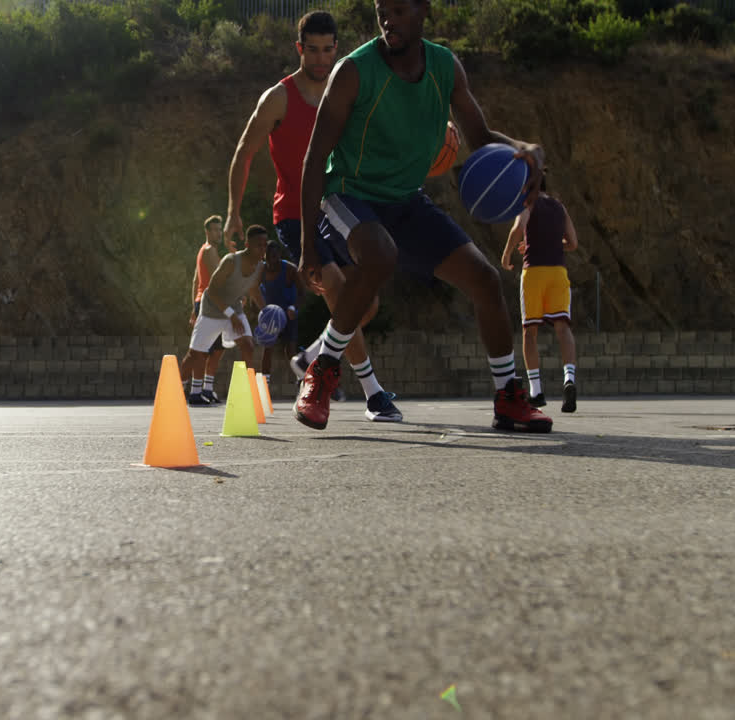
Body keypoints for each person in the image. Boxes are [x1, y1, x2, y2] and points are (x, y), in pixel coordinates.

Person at [294, 0, 552, 432]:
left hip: (404, 200)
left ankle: (509, 397)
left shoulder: (445, 67)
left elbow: (480, 138)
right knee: (380, 254)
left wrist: (524, 149)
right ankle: (321, 373)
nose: (387, 18)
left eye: (398, 9)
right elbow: (314, 156)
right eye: (381, 9)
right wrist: (307, 248)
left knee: (486, 280)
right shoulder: (354, 72)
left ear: (423, 10)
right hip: (347, 194)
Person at [224, 10, 401, 423]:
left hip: (338, 209)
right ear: (299, 49)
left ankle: (312, 357)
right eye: (313, 51)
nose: (321, 60)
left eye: (328, 50)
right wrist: (233, 212)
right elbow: (243, 153)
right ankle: (373, 394)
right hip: (293, 213)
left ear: (337, 49)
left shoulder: (345, 91)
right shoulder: (279, 98)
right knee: (338, 287)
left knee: (366, 303)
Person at [500, 179, 580, 412]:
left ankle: (536, 391)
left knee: (529, 331)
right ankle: (569, 379)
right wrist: (551, 244)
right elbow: (573, 243)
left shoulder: (527, 204)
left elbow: (517, 229)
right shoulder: (559, 207)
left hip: (534, 272)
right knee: (562, 327)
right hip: (557, 271)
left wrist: (506, 256)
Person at [185, 224, 268, 406]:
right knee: (195, 354)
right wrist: (230, 314)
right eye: (258, 245)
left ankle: (247, 394)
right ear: (247, 244)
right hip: (212, 308)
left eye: (265, 245)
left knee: (247, 345)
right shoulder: (229, 260)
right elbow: (212, 291)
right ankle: (184, 387)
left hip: (234, 308)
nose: (262, 249)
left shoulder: (260, 266)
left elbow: (253, 288)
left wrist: (265, 310)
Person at [180, 215, 231, 404]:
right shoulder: (209, 250)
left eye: (220, 229)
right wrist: (197, 305)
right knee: (198, 351)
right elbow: (222, 279)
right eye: (216, 230)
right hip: (209, 304)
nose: (218, 233)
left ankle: (206, 389)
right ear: (207, 232)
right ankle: (190, 391)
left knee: (217, 350)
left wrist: (193, 306)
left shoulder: (206, 251)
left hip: (208, 304)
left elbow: (195, 280)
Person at [256, 240, 302, 387]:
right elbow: (253, 290)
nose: (271, 261)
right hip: (270, 315)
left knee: (290, 349)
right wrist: (259, 309)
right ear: (264, 257)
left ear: (279, 255)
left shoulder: (290, 269)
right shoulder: (261, 270)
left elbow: (302, 292)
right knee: (267, 347)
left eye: (274, 257)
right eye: (268, 258)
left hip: (288, 313)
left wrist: (294, 308)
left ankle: (301, 379)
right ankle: (265, 383)